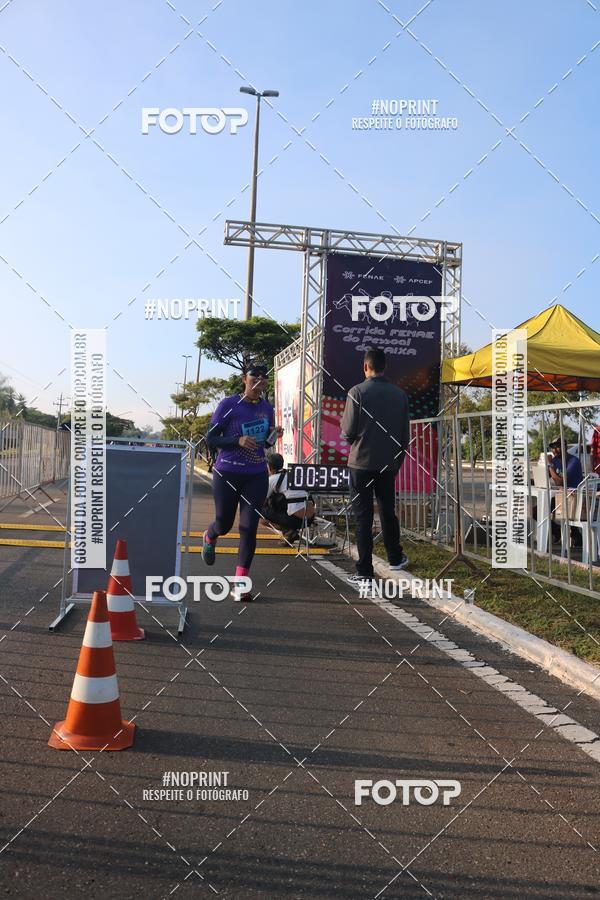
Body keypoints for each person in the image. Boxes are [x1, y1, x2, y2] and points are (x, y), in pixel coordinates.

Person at [203, 363, 283, 601]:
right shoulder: (229, 405)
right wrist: (237, 441)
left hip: (256, 473)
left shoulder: (267, 409)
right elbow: (211, 438)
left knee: (249, 527)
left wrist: (273, 435)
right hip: (227, 472)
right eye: (254, 376)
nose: (259, 380)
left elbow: (265, 444)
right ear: (244, 380)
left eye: (263, 376)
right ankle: (210, 535)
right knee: (225, 524)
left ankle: (240, 584)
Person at [340, 347, 410, 584]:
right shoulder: (400, 395)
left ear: (365, 367)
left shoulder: (356, 392)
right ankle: (394, 557)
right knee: (388, 512)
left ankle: (364, 570)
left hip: (360, 464)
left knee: (364, 518)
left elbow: (348, 431)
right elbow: (404, 437)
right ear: (385, 367)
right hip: (387, 465)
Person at [262, 452, 316, 543]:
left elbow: (261, 501)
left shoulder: (272, 479)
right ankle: (290, 531)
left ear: (270, 467)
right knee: (280, 499)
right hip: (310, 519)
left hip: (296, 520)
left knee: (260, 514)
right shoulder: (293, 475)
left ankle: (288, 531)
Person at [548, 438, 584, 546]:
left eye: (558, 446)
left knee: (546, 508)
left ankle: (575, 534)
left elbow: (559, 482)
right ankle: (558, 532)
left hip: (575, 497)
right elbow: (547, 476)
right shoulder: (554, 461)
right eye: (553, 447)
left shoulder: (573, 461)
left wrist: (550, 465)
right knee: (537, 511)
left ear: (565, 447)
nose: (555, 450)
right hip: (561, 496)